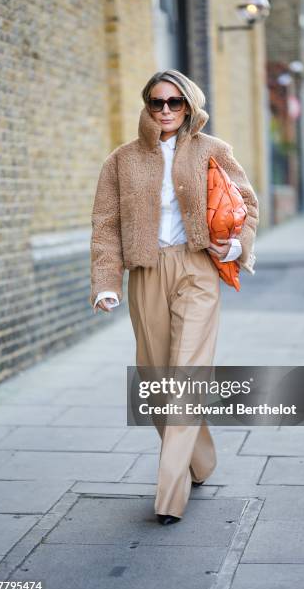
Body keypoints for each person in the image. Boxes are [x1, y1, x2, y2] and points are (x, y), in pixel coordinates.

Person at [89, 69, 259, 525]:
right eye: (156, 102)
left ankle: (169, 493)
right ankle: (201, 460)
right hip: (146, 271)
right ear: (146, 106)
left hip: (197, 267)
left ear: (190, 105)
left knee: (185, 374)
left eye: (174, 102)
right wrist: (106, 282)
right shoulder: (121, 161)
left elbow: (247, 203)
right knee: (156, 378)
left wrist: (237, 245)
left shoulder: (213, 150)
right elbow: (105, 227)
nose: (165, 110)